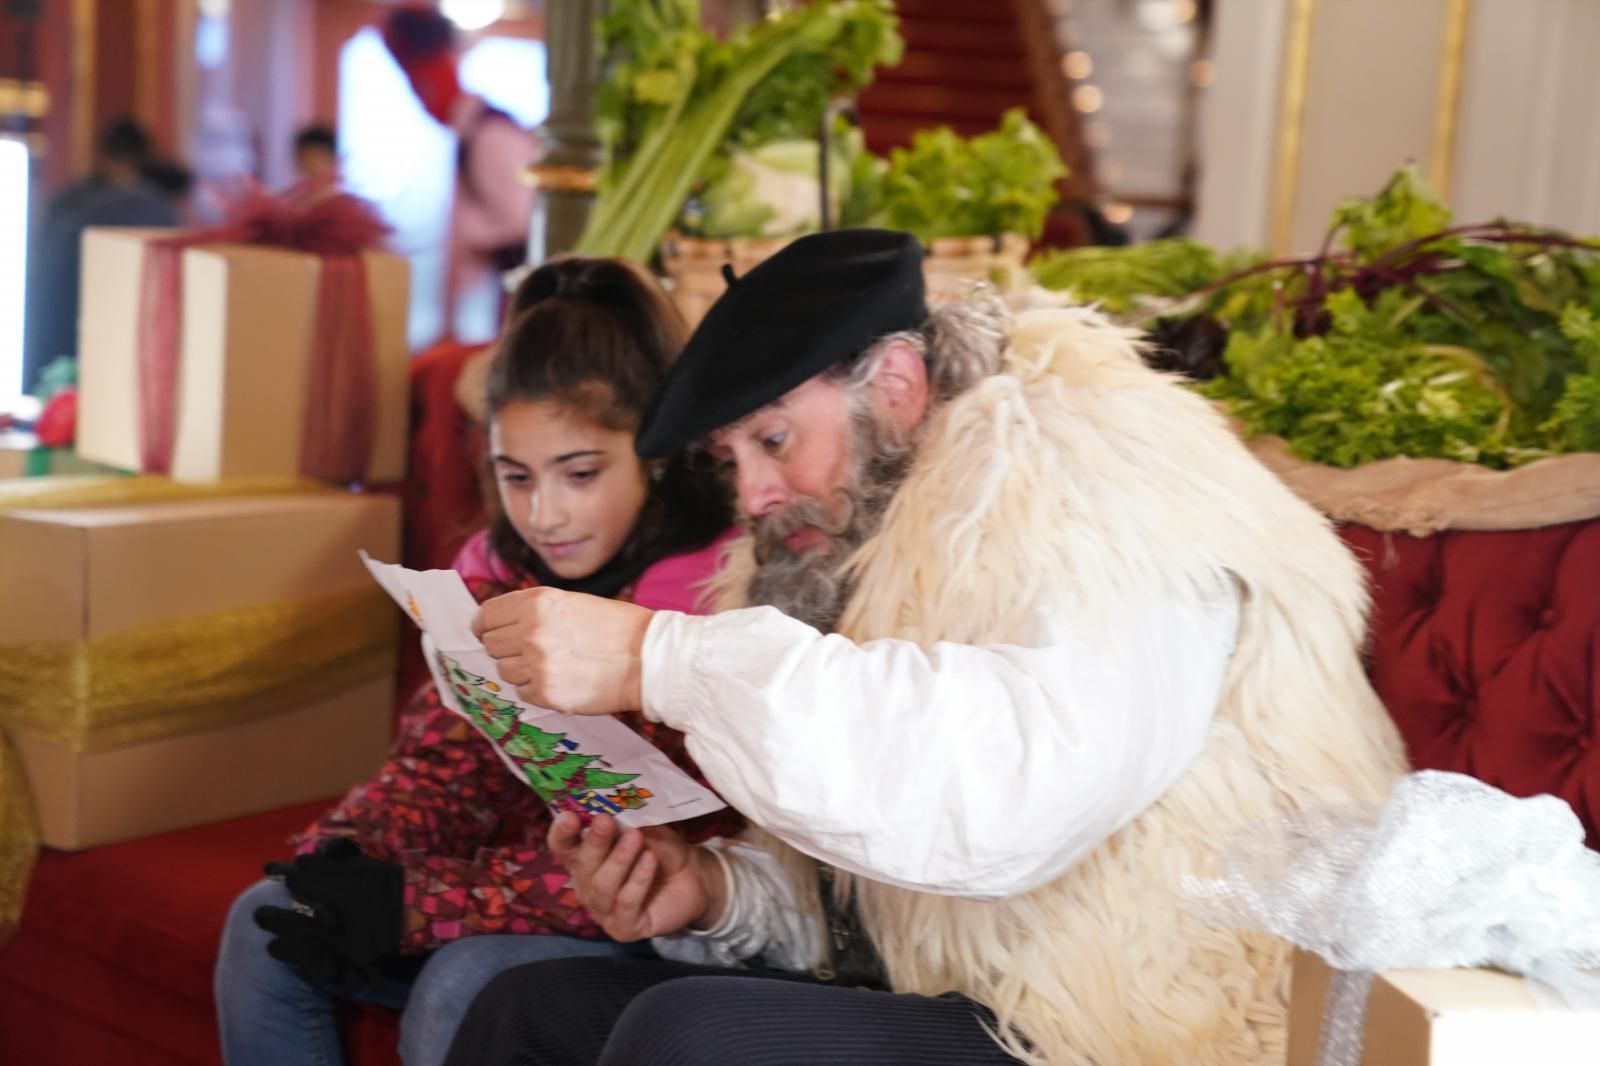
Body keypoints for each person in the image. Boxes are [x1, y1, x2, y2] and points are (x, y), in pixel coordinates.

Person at [443, 228, 1408, 1066]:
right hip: (958, 990)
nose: (754, 496)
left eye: (774, 441)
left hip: (1141, 1021)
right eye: (730, 460)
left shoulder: (1089, 478)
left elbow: (1009, 796)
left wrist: (660, 656)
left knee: (696, 1044)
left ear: (896, 383)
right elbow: (877, 890)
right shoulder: (845, 540)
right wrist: (708, 894)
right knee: (524, 1014)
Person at [214, 257, 741, 1066]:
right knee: (268, 919)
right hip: (504, 895)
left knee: (469, 979)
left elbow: (666, 854)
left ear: (657, 454)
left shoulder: (706, 607)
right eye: (515, 476)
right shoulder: (489, 572)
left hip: (665, 923)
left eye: (580, 474)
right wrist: (347, 847)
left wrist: (419, 908)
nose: (544, 515)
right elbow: (448, 759)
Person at [382, 5, 540, 341]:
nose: (420, 95)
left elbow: (521, 218)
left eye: (421, 81)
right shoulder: (470, 137)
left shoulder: (491, 134)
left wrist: (465, 232)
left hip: (521, 300)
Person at [23, 117, 181, 392]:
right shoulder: (153, 209)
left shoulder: (67, 200)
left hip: (48, 339)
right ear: (144, 157)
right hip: (118, 348)